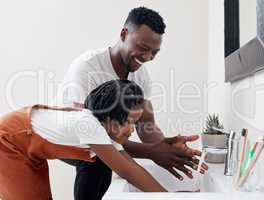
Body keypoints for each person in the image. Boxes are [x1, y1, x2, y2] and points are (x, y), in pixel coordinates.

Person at [56, 6, 208, 200]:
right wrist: (153, 153)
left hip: (96, 142)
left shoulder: (141, 76)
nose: (147, 57)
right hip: (68, 140)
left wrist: (166, 148)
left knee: (105, 160)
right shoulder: (87, 68)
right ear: (123, 34)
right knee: (97, 158)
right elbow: (91, 135)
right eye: (143, 48)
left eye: (154, 52)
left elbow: (146, 125)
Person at [0, 80, 171, 200]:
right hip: (9, 140)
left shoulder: (103, 132)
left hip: (25, 141)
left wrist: (170, 196)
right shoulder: (89, 125)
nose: (132, 130)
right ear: (111, 116)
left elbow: (133, 167)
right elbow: (128, 172)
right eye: (129, 122)